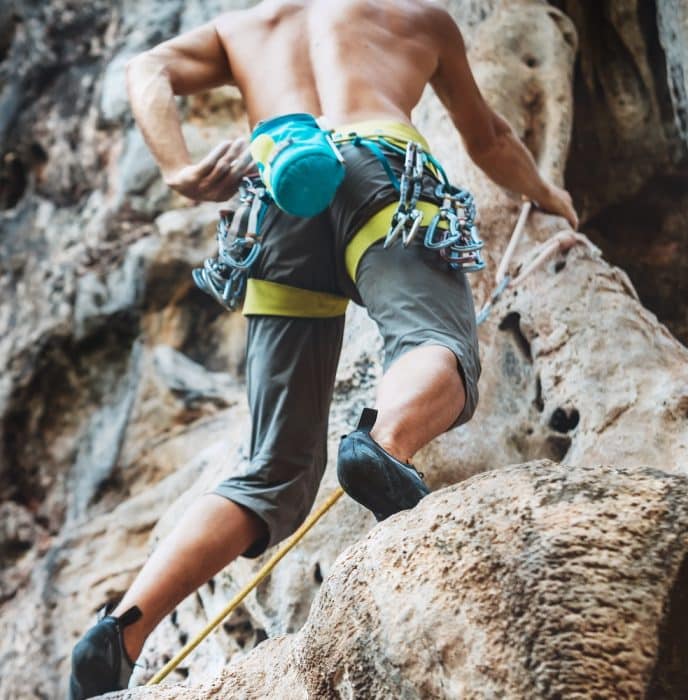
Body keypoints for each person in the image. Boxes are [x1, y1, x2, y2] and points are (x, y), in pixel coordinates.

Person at [68, 1, 578, 697]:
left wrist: (179, 169)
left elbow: (145, 66)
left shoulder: (244, 28)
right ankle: (384, 445)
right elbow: (488, 136)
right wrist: (549, 193)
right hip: (382, 174)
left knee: (269, 470)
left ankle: (120, 629)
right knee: (433, 341)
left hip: (278, 197)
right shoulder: (419, 19)